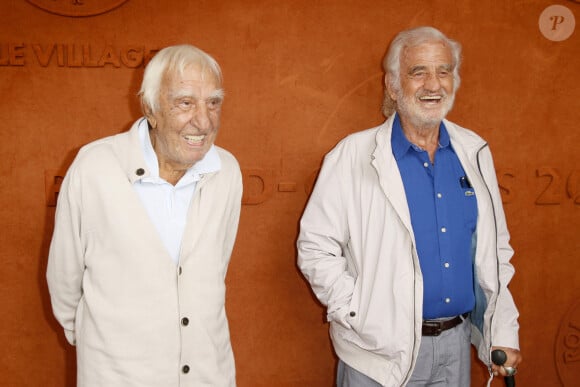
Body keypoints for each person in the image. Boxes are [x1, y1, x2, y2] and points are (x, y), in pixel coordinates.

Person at [297, 26, 522, 386]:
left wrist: (503, 329)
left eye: (443, 71)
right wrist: (356, 312)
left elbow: (496, 252)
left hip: (455, 349)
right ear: (392, 84)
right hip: (377, 356)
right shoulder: (352, 155)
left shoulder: (475, 152)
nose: (434, 85)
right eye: (419, 72)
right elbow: (314, 247)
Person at [47, 44, 242, 386]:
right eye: (185, 103)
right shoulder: (94, 167)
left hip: (209, 376)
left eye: (213, 103)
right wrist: (105, 350)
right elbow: (65, 282)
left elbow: (216, 266)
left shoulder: (226, 170)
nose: (203, 120)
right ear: (151, 109)